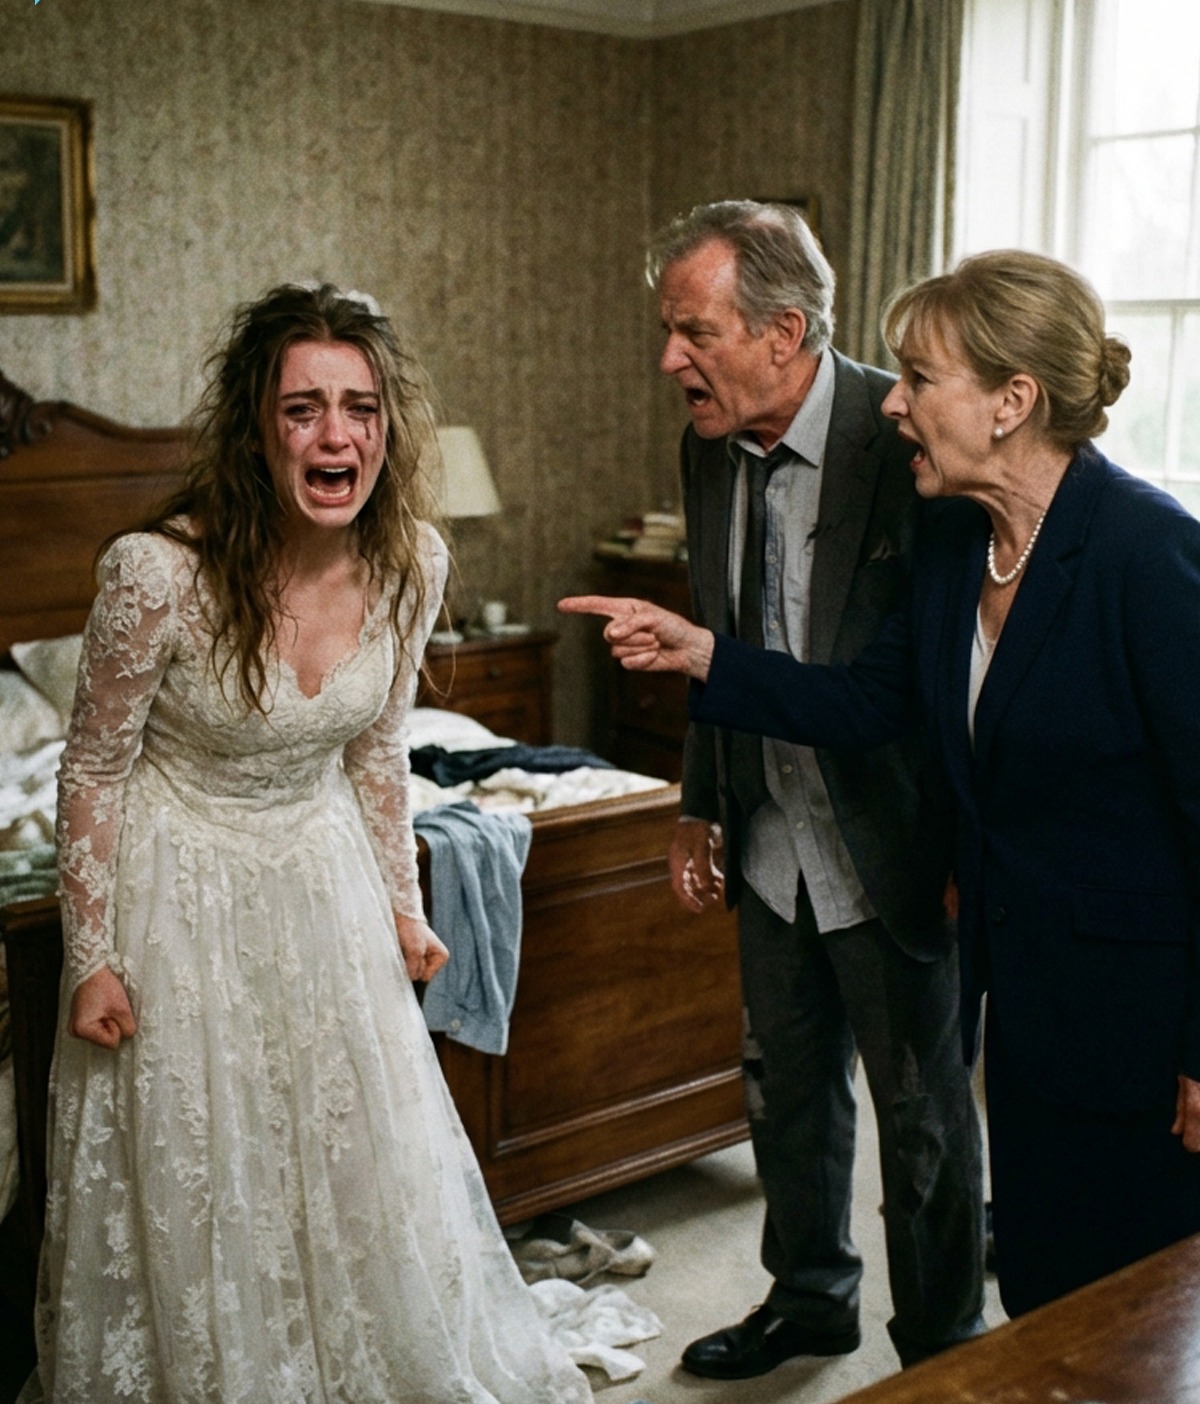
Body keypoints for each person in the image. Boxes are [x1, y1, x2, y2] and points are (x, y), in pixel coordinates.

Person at [563, 248, 1200, 1321]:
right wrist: (701, 654)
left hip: (1140, 1023)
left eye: (919, 378)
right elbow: (866, 702)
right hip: (1023, 1009)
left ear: (1011, 403)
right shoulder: (958, 544)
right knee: (1042, 1296)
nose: (893, 403)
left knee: (1140, 1318)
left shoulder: (1152, 554)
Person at [25, 283, 592, 1403]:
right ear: (256, 431)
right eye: (303, 410)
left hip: (323, 874)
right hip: (180, 888)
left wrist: (405, 907)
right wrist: (91, 956)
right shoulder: (156, 573)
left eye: (360, 408)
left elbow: (377, 749)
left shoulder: (414, 562)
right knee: (215, 1163)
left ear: (387, 427)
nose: (337, 435)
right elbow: (91, 768)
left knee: (352, 1150)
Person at [578, 200, 986, 1376]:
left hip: (891, 842)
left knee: (921, 1118)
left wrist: (965, 851)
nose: (671, 360)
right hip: (769, 836)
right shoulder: (704, 445)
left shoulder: (906, 437)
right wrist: (698, 802)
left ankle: (946, 1344)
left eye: (694, 332)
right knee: (786, 1092)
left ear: (784, 331)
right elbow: (718, 630)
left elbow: (927, 685)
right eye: (668, 331)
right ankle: (810, 1301)